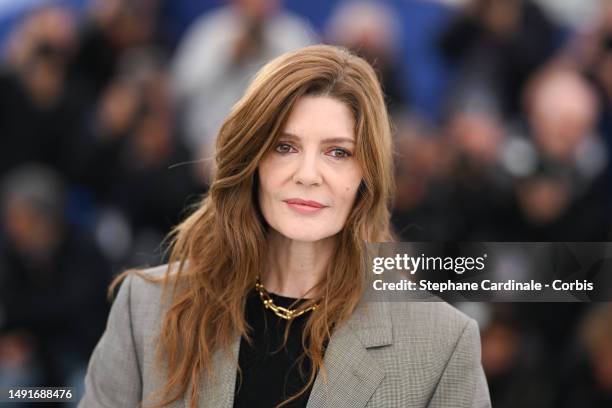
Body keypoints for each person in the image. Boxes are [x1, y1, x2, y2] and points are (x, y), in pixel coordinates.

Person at [79, 45, 491, 408]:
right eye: (284, 146)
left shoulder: (441, 344)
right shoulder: (146, 308)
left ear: (367, 175)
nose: (308, 174)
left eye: (338, 152)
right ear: (251, 160)